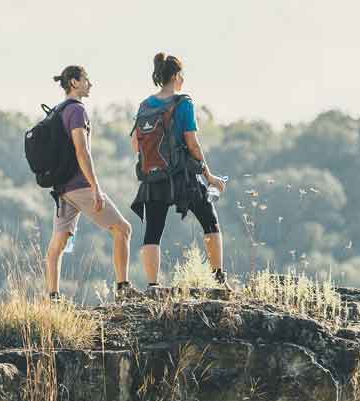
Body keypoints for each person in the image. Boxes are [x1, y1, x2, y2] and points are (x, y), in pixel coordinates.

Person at [129, 53, 229, 289]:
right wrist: (210, 177)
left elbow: (136, 143)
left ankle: (153, 286)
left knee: (153, 230)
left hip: (153, 178)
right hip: (182, 176)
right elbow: (192, 143)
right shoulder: (183, 103)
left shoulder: (145, 105)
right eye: (181, 74)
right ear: (175, 76)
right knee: (210, 221)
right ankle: (218, 280)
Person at [43, 65, 137, 301]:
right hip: (80, 185)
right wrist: (95, 187)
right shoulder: (76, 111)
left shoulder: (58, 110)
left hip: (62, 188)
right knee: (123, 229)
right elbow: (81, 150)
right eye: (86, 79)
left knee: (59, 243)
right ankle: (123, 289)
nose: (90, 84)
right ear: (74, 82)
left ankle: (52, 297)